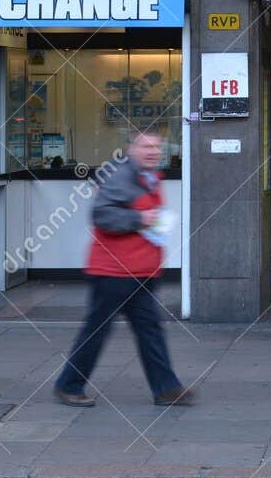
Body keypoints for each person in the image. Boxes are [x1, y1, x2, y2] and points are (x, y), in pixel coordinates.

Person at [55, 131, 195, 407]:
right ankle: (69, 384)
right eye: (146, 146)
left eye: (157, 146)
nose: (153, 151)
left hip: (140, 271)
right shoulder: (121, 177)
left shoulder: (150, 178)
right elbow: (102, 215)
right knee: (98, 329)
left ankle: (166, 388)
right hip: (113, 272)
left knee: (149, 330)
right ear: (131, 148)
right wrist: (139, 217)